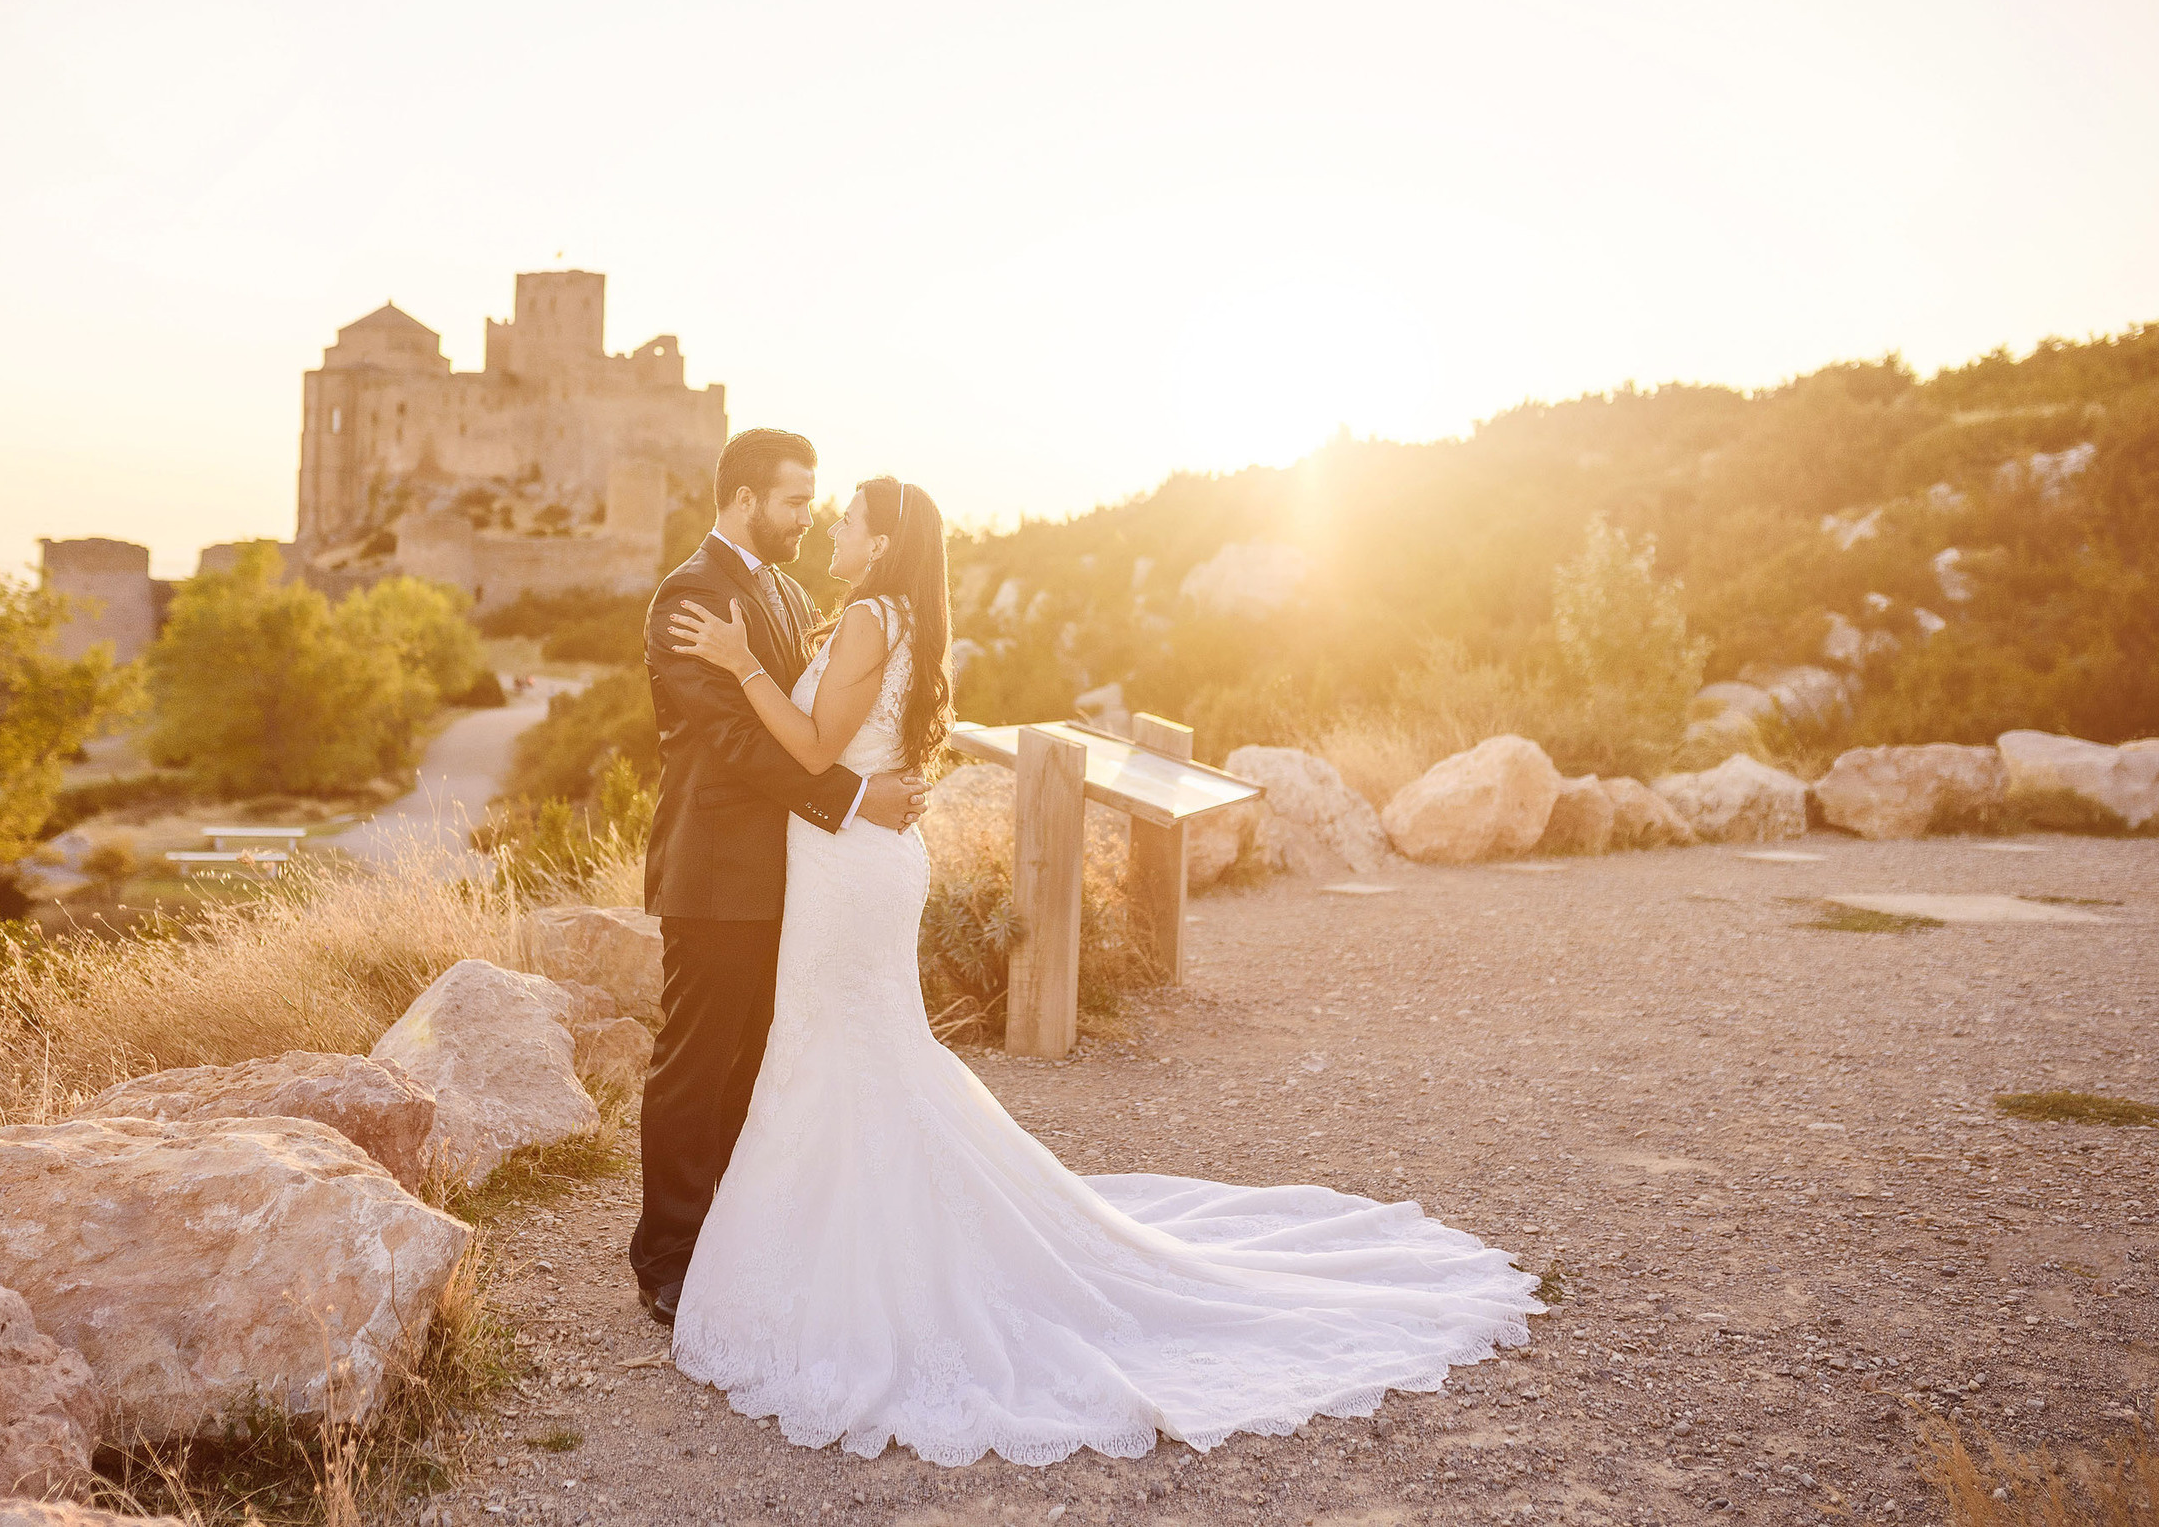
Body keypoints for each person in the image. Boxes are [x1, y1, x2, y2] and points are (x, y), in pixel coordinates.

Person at [661, 471, 1544, 1467]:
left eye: (848, 518)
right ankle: (850, 1248)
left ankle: (846, 1271)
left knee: (843, 1049)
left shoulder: (869, 617)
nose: (832, 527)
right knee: (854, 1051)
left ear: (882, 540)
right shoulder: (893, 615)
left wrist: (741, 663)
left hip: (850, 867)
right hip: (852, 859)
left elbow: (818, 747)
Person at [629, 429, 930, 1328]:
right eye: (796, 500)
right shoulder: (688, 595)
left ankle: (732, 1240)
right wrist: (858, 800)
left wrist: (871, 780)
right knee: (695, 1064)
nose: (808, 515)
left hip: (799, 875)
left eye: (814, 501)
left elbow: (825, 721)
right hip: (717, 869)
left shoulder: (792, 593)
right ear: (745, 498)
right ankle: (666, 1257)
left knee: (756, 1063)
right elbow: (733, 741)